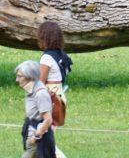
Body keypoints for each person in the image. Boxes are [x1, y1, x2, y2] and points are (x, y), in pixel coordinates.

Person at [37, 22, 72, 158]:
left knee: (44, 136)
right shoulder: (62, 55)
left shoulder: (47, 58)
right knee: (45, 136)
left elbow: (40, 81)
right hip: (60, 94)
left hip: (49, 96)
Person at [15, 60, 57, 158]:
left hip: (39, 140)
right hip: (32, 135)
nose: (17, 80)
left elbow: (48, 119)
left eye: (20, 76)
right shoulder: (31, 89)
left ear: (29, 77)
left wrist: (35, 137)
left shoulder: (40, 93)